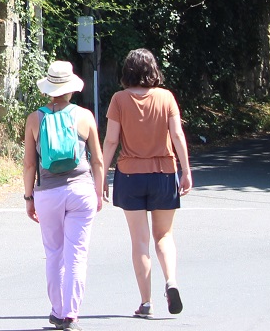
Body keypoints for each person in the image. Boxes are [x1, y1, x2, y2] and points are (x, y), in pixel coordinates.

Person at [101, 48, 192, 318]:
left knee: (139, 242)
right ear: (153, 70)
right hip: (164, 172)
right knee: (164, 235)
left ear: (127, 71)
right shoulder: (166, 98)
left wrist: (103, 174)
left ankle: (146, 303)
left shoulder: (119, 99)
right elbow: (177, 135)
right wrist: (186, 170)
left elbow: (111, 140)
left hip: (130, 176)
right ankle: (171, 280)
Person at [22, 61, 105, 331]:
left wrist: (28, 197)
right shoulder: (85, 116)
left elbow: (29, 165)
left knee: (54, 254)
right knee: (76, 255)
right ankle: (71, 315)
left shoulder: (35, 118)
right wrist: (99, 192)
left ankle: (57, 311)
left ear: (49, 89)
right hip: (81, 191)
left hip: (48, 193)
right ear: (71, 89)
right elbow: (98, 161)